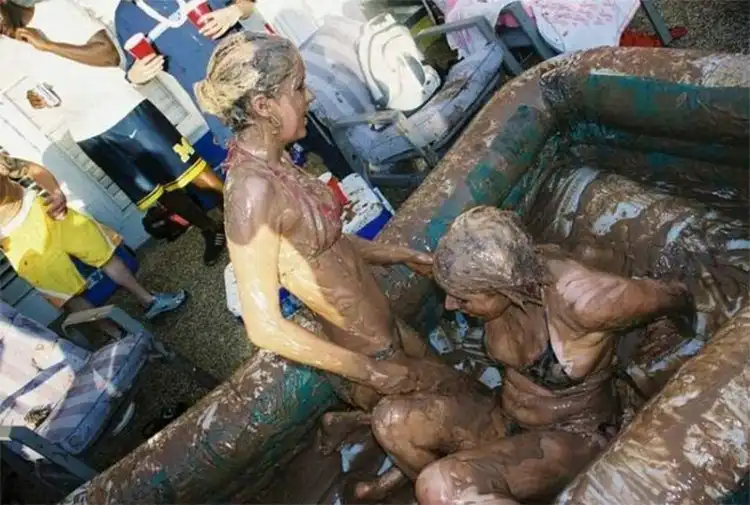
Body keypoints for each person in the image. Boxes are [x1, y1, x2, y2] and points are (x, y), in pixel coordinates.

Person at [194, 30, 475, 480]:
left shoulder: (278, 161)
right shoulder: (250, 193)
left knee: (464, 392)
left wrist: (397, 254)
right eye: (298, 87)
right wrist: (370, 372)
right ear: (264, 106)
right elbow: (263, 326)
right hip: (367, 355)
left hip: (386, 328)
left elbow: (322, 246)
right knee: (470, 431)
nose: (310, 96)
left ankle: (347, 424)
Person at [366, 206, 694, 505]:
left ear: (504, 288)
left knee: (440, 485)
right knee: (390, 422)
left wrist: (664, 335)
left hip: (573, 435)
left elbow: (675, 296)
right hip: (505, 415)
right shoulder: (493, 273)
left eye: (463, 299)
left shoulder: (585, 303)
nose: (451, 305)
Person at [0, 0, 226, 266]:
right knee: (158, 192)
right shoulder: (10, 46)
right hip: (88, 133)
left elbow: (108, 55)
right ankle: (210, 229)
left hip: (123, 110)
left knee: (190, 171)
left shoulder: (55, 9)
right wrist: (35, 98)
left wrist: (48, 45)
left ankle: (241, 213)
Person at [113, 0, 355, 179]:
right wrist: (136, 77)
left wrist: (233, 12)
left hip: (260, 74)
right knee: (268, 171)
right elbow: (134, 69)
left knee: (314, 136)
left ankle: (357, 187)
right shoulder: (126, 15)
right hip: (221, 106)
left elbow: (246, 4)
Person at [0, 149, 186, 325]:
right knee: (67, 293)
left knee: (103, 252)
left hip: (40, 209)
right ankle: (118, 336)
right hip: (15, 241)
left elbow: (32, 169)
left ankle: (149, 301)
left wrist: (56, 193)